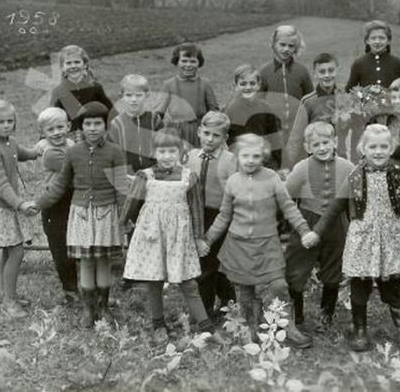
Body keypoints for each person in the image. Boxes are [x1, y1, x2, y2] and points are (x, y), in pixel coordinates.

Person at [302, 124, 400, 352]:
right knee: (360, 284)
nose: (378, 151)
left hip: (389, 240)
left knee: (392, 285)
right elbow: (335, 208)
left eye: (383, 147)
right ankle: (359, 331)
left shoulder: (398, 175)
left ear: (391, 148)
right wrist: (316, 232)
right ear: (362, 148)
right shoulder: (355, 177)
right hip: (362, 239)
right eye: (372, 147)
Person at [204, 134, 315, 348]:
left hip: (267, 244)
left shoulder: (272, 178)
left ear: (263, 157)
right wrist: (208, 239)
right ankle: (251, 327)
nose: (250, 160)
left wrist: (304, 230)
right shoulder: (233, 182)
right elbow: (224, 215)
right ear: (238, 156)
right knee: (245, 290)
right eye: (245, 156)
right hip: (239, 244)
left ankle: (287, 327)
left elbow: (289, 207)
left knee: (279, 285)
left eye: (256, 156)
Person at [35, 102, 127, 329]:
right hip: (81, 214)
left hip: (106, 213)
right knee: (86, 261)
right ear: (80, 127)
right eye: (88, 124)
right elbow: (59, 185)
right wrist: (37, 204)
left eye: (97, 123)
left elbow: (121, 188)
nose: (92, 128)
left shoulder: (115, 152)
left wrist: (125, 217)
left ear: (106, 126)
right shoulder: (73, 152)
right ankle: (88, 308)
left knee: (103, 261)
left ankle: (103, 306)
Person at [120, 129, 215, 341]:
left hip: (179, 237)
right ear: (154, 153)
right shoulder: (145, 175)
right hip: (152, 234)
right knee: (154, 279)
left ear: (180, 153)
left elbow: (196, 209)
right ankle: (158, 324)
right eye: (162, 151)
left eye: (172, 151)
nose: (166, 156)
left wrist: (199, 237)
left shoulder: (189, 177)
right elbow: (131, 202)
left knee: (188, 282)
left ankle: (206, 327)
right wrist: (122, 224)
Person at [284, 122, 355, 329]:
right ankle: (296, 316)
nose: (322, 148)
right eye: (316, 144)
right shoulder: (302, 168)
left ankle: (326, 315)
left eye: (326, 142)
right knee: (295, 268)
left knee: (333, 270)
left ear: (335, 142)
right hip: (307, 221)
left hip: (337, 224)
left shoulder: (348, 167)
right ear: (307, 147)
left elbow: (357, 196)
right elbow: (286, 195)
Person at [0, 100, 39, 318]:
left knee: (9, 250)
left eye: (10, 121)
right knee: (16, 251)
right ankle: (9, 302)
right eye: (0, 121)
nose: (6, 125)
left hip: (8, 206)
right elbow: (1, 184)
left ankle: (4, 295)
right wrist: (20, 204)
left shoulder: (9, 142)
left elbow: (21, 153)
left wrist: (37, 151)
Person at [186, 112, 238, 317]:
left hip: (219, 216)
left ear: (225, 138)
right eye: (206, 133)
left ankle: (204, 312)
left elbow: (234, 194)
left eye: (216, 135)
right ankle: (229, 301)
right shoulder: (191, 156)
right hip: (194, 214)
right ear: (199, 131)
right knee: (207, 263)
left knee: (207, 263)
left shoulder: (230, 161)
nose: (209, 139)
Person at [36, 107, 79, 305]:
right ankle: (70, 289)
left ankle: (82, 284)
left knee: (75, 242)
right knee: (61, 247)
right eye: (50, 129)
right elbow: (75, 172)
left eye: (60, 127)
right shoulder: (51, 153)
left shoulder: (71, 143)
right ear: (43, 132)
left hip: (72, 197)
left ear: (68, 126)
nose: (56, 133)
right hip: (55, 202)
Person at [284, 52, 348, 168]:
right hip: (317, 159)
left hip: (341, 159)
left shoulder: (347, 98)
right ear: (315, 74)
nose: (327, 75)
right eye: (322, 72)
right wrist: (288, 165)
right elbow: (296, 137)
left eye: (331, 70)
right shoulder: (309, 101)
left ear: (337, 70)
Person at [155, 42, 219, 149]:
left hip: (199, 130)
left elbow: (214, 110)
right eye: (184, 61)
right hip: (176, 130)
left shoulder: (205, 84)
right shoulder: (169, 85)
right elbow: (159, 112)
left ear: (199, 63)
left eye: (193, 61)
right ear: (177, 62)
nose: (188, 65)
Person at [258, 25, 313, 147]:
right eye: (282, 44)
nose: (286, 49)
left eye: (291, 46)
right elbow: (258, 101)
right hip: (273, 130)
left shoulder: (302, 71)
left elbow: (310, 99)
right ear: (274, 44)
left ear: (296, 48)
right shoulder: (264, 71)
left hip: (298, 129)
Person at [223, 64, 282, 169]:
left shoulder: (266, 108)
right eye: (243, 84)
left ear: (258, 85)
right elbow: (225, 140)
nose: (248, 87)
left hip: (261, 159)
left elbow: (274, 138)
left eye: (252, 83)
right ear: (235, 86)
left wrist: (279, 162)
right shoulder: (229, 110)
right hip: (238, 162)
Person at [49, 45, 114, 135]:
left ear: (85, 64)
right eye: (68, 63)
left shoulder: (95, 87)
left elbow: (111, 112)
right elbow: (52, 118)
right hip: (71, 135)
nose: (73, 66)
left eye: (77, 62)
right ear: (62, 67)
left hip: (94, 132)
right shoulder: (59, 91)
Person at [108, 74, 164, 175]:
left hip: (153, 172)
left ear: (147, 96)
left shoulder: (154, 119)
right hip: (127, 174)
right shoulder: (117, 124)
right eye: (129, 95)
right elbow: (111, 152)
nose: (134, 99)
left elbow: (164, 144)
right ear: (121, 96)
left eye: (138, 95)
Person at [345, 20, 400, 92]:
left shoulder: (396, 62)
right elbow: (350, 89)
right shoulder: (359, 63)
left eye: (381, 38)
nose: (377, 42)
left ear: (389, 40)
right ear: (367, 41)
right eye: (373, 38)